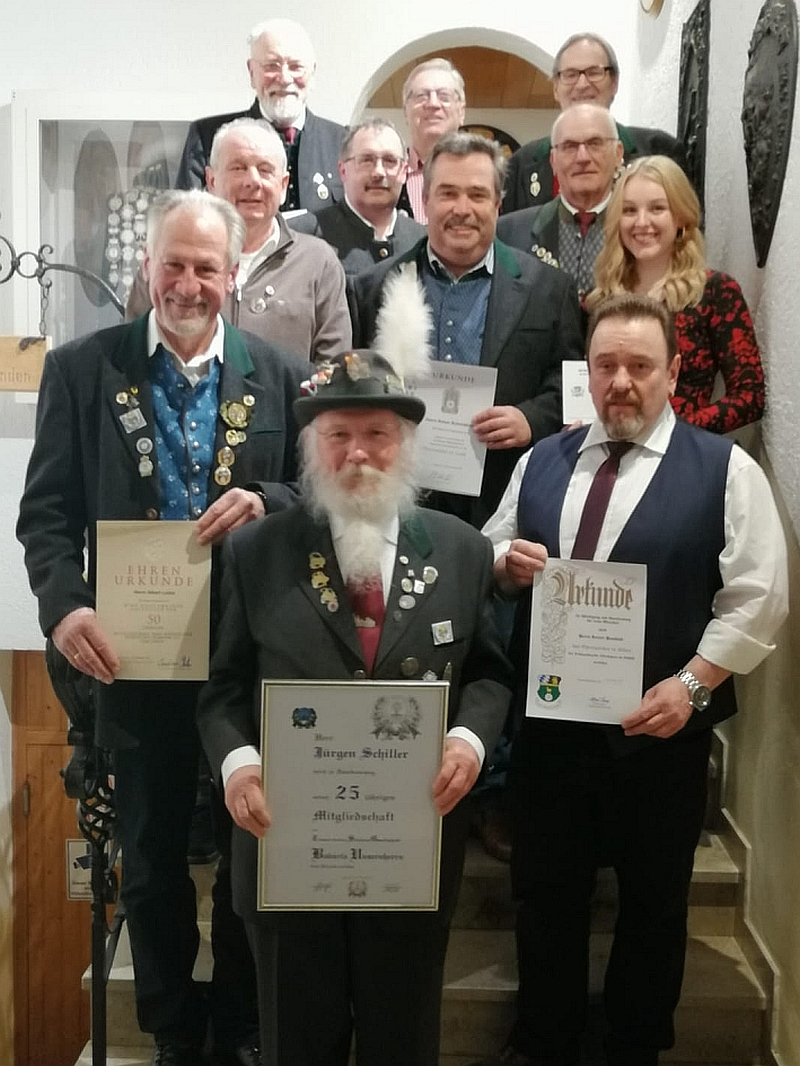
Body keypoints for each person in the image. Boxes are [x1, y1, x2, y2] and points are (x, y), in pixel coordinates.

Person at [17, 190, 310, 1066]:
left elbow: (313, 495)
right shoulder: (83, 369)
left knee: (248, 851)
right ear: (146, 267)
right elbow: (47, 516)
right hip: (131, 656)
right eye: (172, 264)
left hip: (243, 654)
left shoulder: (278, 374)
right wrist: (66, 607)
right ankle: (175, 1030)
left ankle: (242, 1025)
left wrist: (269, 498)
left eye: (205, 268)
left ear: (233, 275)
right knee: (147, 857)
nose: (187, 283)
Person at [195, 270, 513, 1066]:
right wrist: (237, 764)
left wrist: (470, 741)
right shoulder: (257, 551)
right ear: (313, 447)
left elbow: (489, 674)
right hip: (286, 850)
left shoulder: (464, 552)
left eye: (377, 434)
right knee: (297, 1046)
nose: (358, 452)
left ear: (406, 445)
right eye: (338, 435)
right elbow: (222, 691)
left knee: (402, 1043)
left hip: (410, 851)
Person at [476, 293, 788, 1066]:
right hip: (551, 731)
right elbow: (491, 547)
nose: (621, 381)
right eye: (606, 364)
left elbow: (759, 596)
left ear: (674, 373)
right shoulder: (541, 461)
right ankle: (544, 1041)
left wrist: (694, 686)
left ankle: (634, 1046)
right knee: (546, 897)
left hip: (661, 735)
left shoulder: (725, 470)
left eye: (640, 366)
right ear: (587, 372)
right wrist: (505, 565)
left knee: (654, 907)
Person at [348, 130, 585, 529]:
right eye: (448, 193)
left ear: (497, 203)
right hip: (397, 498)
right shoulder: (372, 288)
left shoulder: (549, 289)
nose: (462, 209)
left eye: (477, 194)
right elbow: (353, 386)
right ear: (425, 200)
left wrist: (531, 418)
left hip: (506, 500)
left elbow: (573, 388)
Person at [131, 119, 352, 364]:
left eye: (265, 170)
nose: (252, 181)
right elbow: (131, 350)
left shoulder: (317, 263)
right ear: (211, 180)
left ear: (283, 185)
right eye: (238, 168)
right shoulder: (167, 259)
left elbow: (332, 368)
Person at [586, 154, 765, 432]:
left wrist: (675, 434)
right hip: (610, 445)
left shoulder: (715, 293)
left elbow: (749, 397)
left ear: (681, 217)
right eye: (629, 210)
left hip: (684, 448)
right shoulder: (598, 300)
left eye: (657, 208)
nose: (641, 222)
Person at [503, 32, 685, 213]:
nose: (582, 84)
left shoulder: (658, 150)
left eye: (594, 72)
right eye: (570, 74)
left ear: (614, 83)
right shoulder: (521, 165)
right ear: (556, 88)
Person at [176, 19, 345, 213]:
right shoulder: (209, 136)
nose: (284, 78)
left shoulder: (342, 142)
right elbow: (186, 217)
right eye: (272, 66)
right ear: (251, 72)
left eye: (296, 67)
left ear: (312, 73)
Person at [498, 104, 623, 300]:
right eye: (569, 146)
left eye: (595, 143)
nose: (582, 157)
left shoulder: (641, 231)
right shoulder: (507, 233)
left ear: (618, 154)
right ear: (553, 161)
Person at [290, 119, 426, 274]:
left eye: (390, 161)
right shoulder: (302, 235)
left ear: (404, 172)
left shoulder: (424, 241)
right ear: (342, 171)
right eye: (366, 160)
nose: (379, 172)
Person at [400, 58, 467, 222]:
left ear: (461, 112)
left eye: (444, 96)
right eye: (421, 96)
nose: (433, 103)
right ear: (405, 112)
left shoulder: (483, 173)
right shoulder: (389, 173)